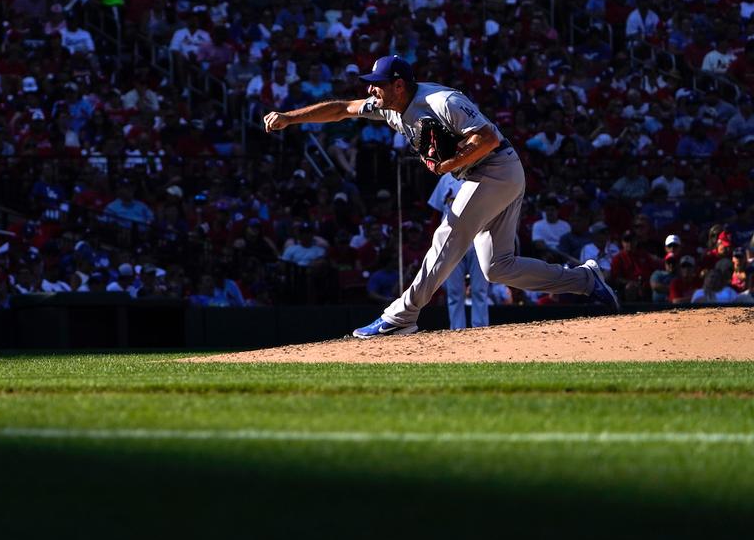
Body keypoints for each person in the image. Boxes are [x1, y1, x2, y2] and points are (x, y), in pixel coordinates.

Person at [263, 55, 619, 337]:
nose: (372, 90)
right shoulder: (389, 107)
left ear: (398, 85)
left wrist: (449, 163)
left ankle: (401, 316)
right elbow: (342, 109)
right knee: (498, 267)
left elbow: (488, 138)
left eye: (377, 85)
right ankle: (585, 280)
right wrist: (290, 118)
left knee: (448, 235)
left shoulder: (442, 101)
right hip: (486, 173)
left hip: (495, 168)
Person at [428, 171, 489, 330]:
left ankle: (481, 329)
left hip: (478, 239)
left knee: (479, 290)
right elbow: (436, 214)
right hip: (451, 241)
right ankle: (457, 330)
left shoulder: (483, 175)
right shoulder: (446, 179)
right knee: (454, 292)